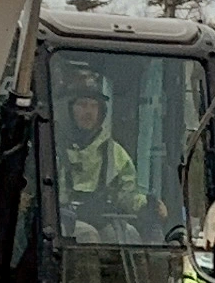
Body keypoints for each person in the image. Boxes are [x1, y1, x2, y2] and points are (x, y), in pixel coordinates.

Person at [58, 64, 164, 230]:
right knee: (87, 234)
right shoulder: (52, 148)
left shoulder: (114, 152)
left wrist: (147, 206)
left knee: (130, 235)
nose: (89, 112)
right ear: (69, 109)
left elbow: (127, 195)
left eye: (94, 106)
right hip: (61, 224)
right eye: (83, 105)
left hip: (101, 221)